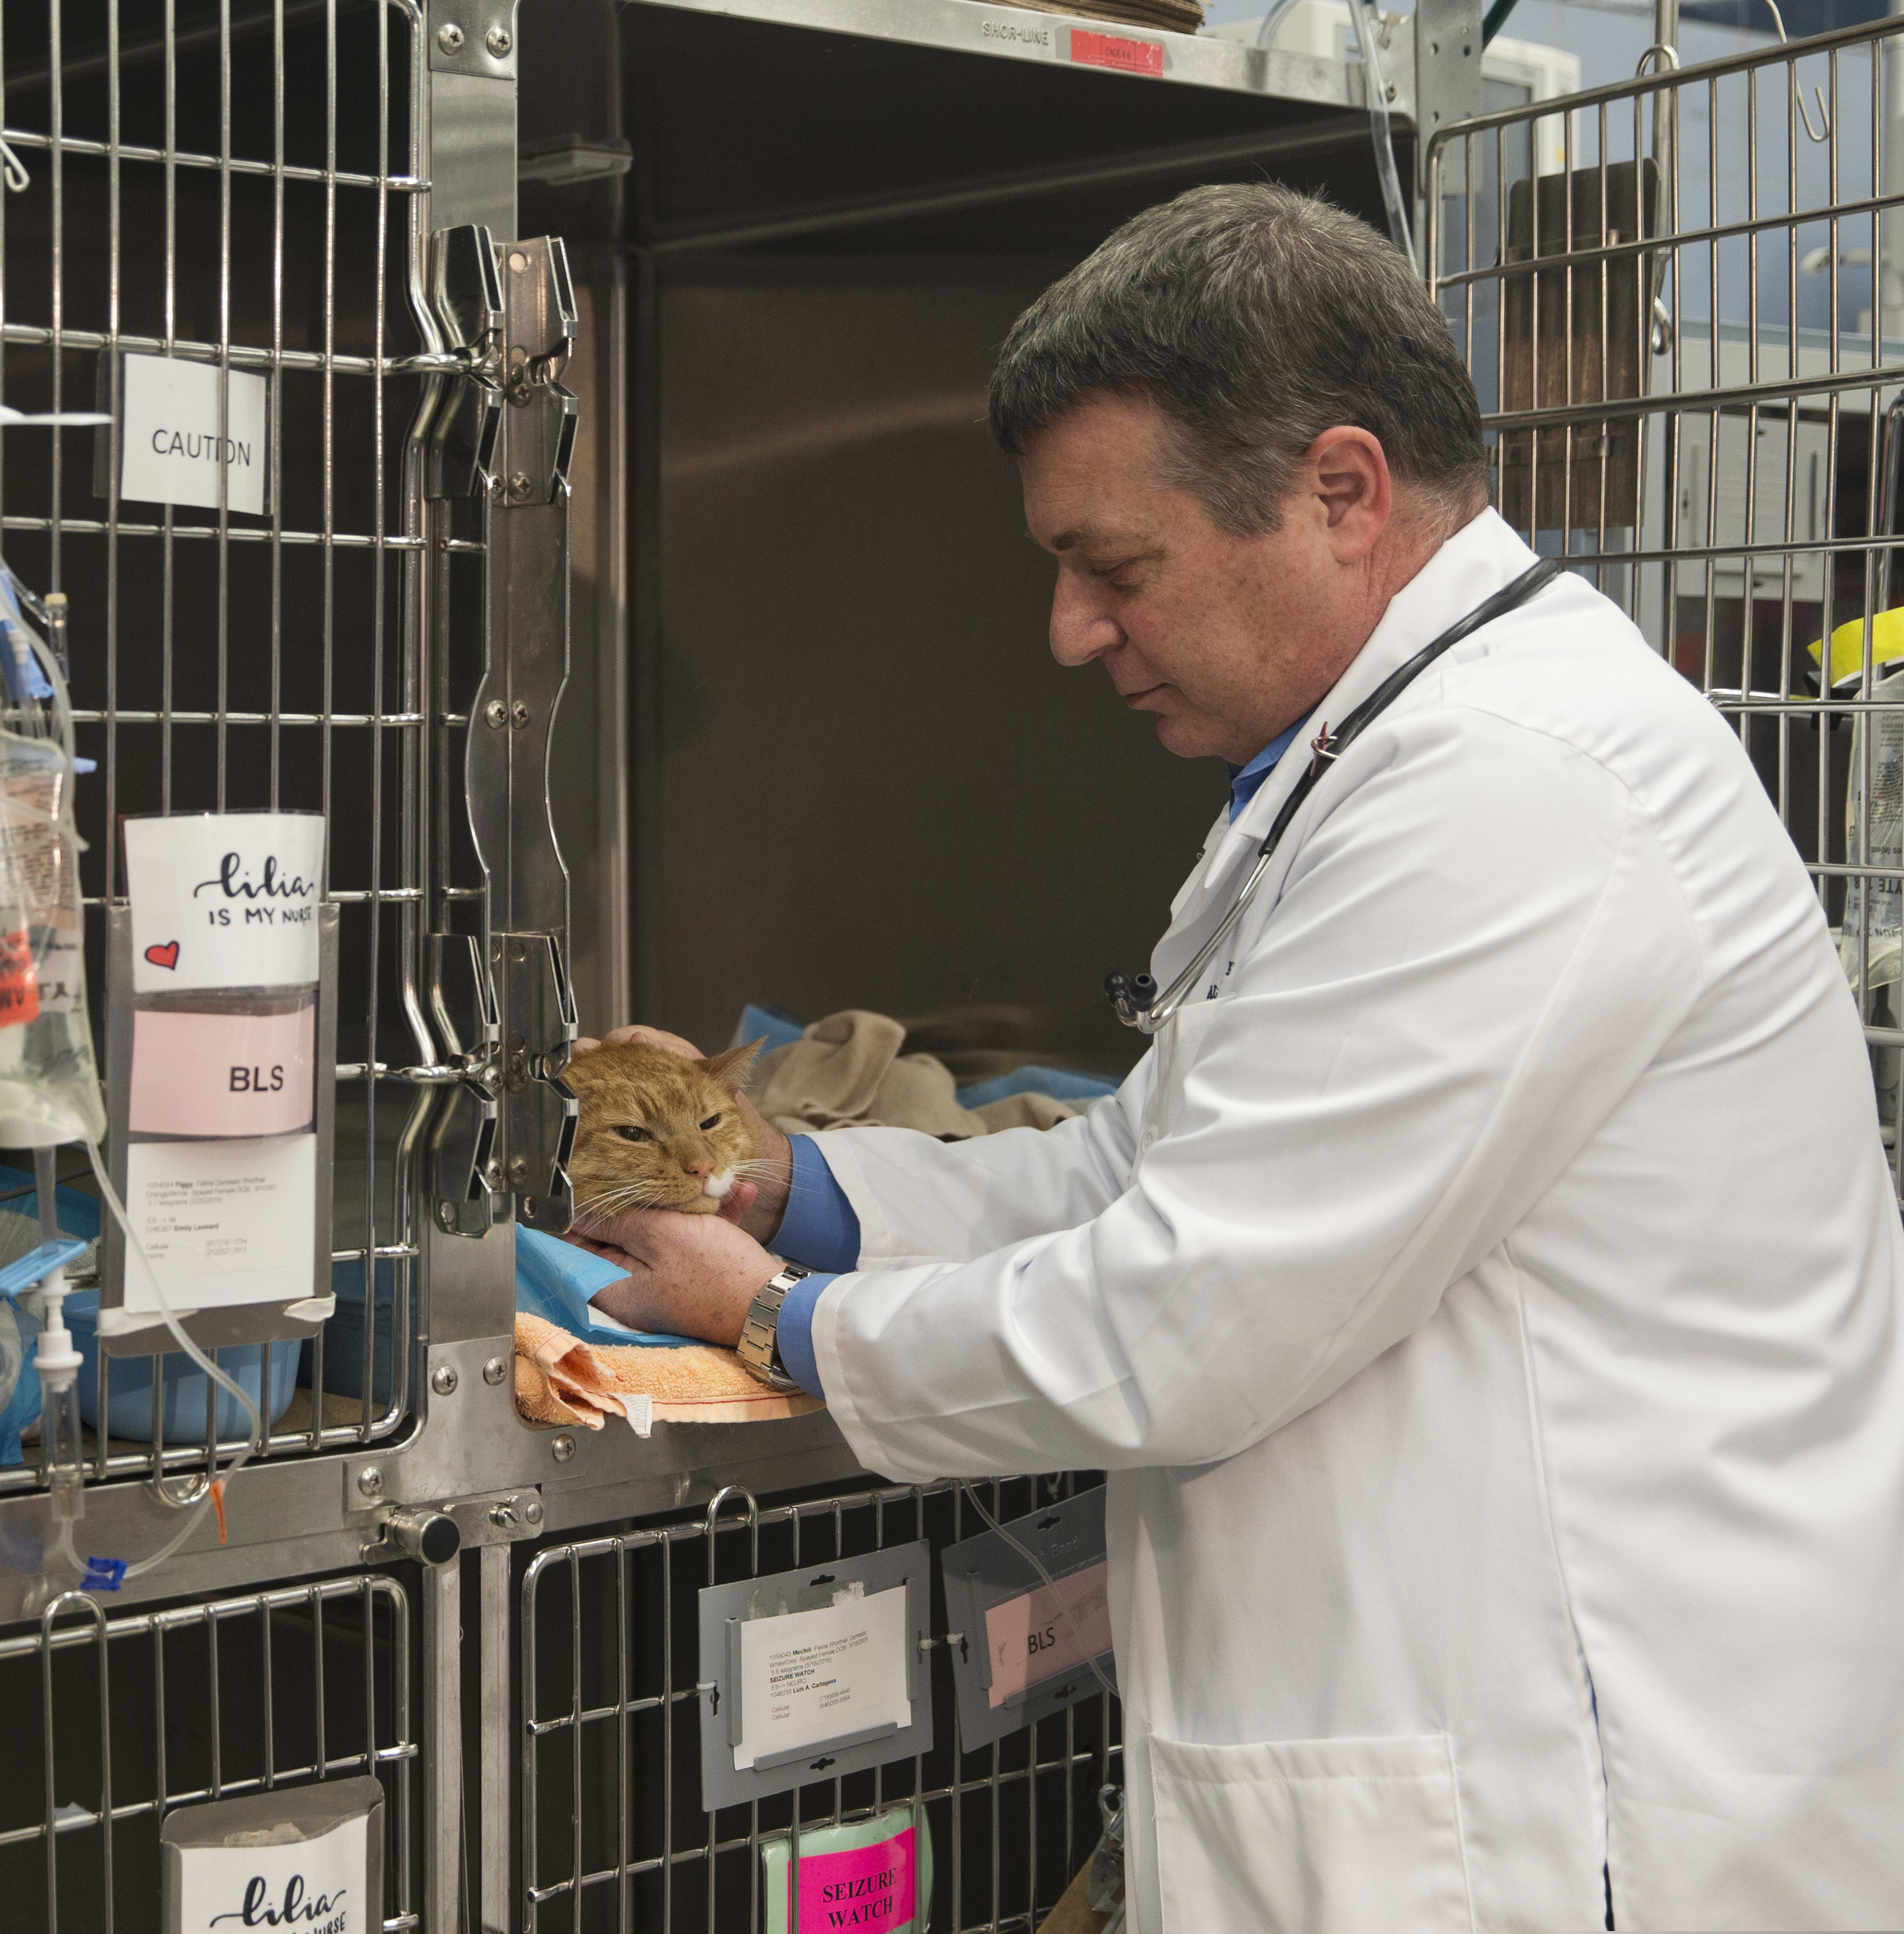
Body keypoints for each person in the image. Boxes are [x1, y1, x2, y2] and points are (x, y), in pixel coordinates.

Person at [571, 183, 1904, 1933]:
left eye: (1114, 567)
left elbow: (1185, 1311)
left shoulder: (1520, 788)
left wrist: (770, 1314)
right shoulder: (1377, 763)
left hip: (1577, 1825)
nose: (1068, 630)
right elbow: (1154, 1166)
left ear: (1342, 493)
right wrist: (797, 1182)